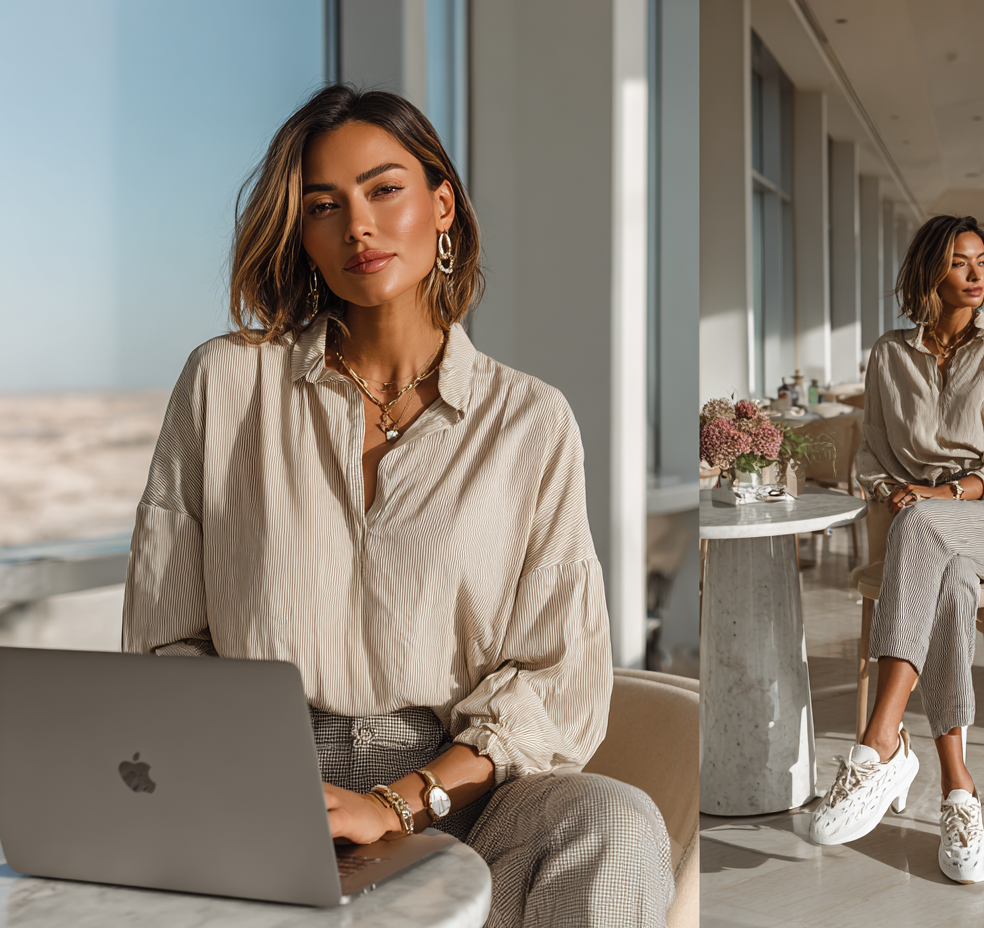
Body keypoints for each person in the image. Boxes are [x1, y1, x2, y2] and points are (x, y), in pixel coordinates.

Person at [121, 85, 674, 928]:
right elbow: (167, 641)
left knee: (614, 822)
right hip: (261, 779)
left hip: (461, 793)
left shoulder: (529, 421)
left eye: (385, 189)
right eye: (323, 205)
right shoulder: (227, 385)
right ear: (301, 234)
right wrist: (257, 779)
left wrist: (401, 802)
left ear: (441, 203)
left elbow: (555, 674)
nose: (358, 227)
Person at [807, 215, 984, 884]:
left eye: (983, 262)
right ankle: (957, 788)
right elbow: (873, 456)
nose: (978, 276)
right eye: (961, 263)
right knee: (949, 578)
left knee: (925, 528)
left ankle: (879, 742)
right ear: (930, 273)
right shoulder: (889, 355)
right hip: (929, 532)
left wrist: (957, 492)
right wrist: (893, 489)